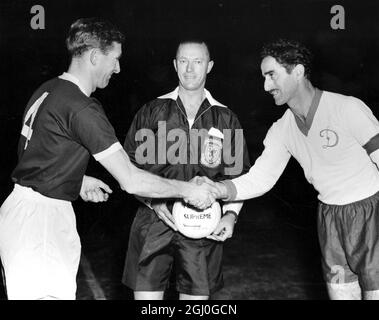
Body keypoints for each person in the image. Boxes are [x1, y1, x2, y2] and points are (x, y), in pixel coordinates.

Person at [0, 18, 219, 300]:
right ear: (94, 56)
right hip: (41, 225)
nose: (117, 68)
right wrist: (189, 189)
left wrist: (74, 180)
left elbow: (33, 157)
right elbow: (130, 179)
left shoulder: (48, 89)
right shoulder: (81, 106)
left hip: (22, 213)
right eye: (114, 59)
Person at [208, 38, 379, 300]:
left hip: (371, 214)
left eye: (272, 75)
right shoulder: (282, 128)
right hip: (330, 220)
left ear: (297, 72)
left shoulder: (347, 108)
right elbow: (261, 178)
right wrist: (218, 189)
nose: (266, 86)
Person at [121, 39, 250, 300]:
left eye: (198, 61)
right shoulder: (151, 111)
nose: (190, 69)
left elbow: (238, 174)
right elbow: (128, 168)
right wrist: (152, 202)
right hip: (154, 221)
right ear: (174, 65)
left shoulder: (225, 117)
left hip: (203, 223)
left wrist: (230, 215)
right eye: (183, 61)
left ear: (209, 66)